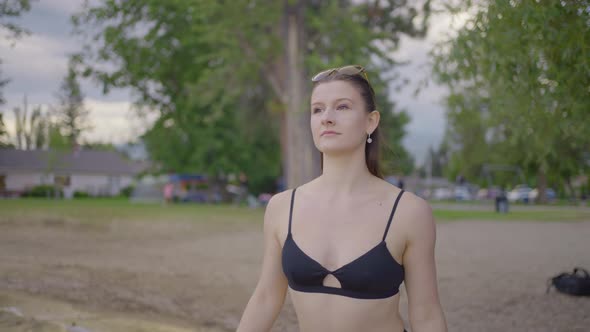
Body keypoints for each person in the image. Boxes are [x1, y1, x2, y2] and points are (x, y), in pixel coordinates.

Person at [237, 65, 447, 332]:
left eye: (342, 107)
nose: (327, 118)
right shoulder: (282, 207)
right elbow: (266, 298)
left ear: (371, 121)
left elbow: (426, 314)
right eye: (317, 109)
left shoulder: (409, 212)